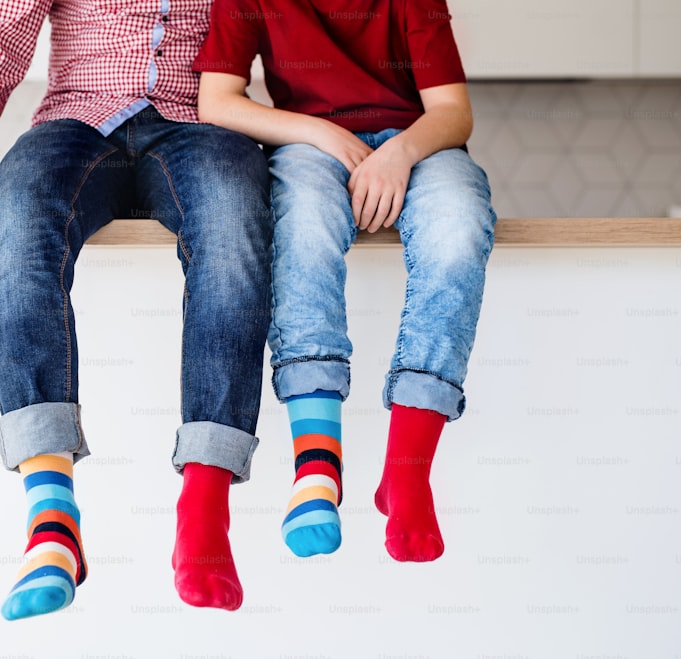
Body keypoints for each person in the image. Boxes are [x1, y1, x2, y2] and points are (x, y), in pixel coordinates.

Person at [0, 0, 273, 619]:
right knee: (19, 213)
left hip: (203, 124)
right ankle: (51, 520)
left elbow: (293, 31)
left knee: (234, 218)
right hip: (78, 120)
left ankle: (206, 511)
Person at [195, 0, 496, 562]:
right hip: (310, 146)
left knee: (458, 229)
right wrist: (321, 133)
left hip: (420, 144)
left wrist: (399, 153)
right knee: (304, 231)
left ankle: (407, 476)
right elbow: (216, 100)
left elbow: (454, 112)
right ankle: (316, 469)